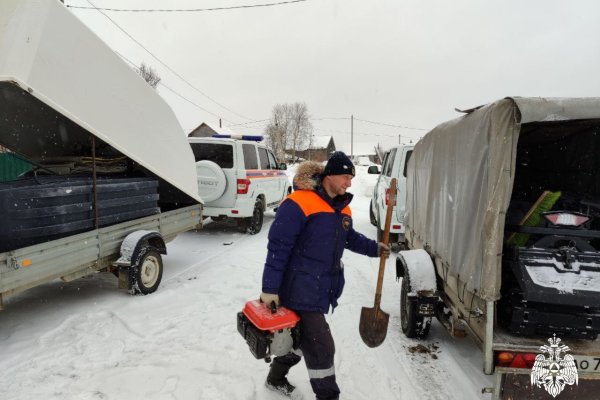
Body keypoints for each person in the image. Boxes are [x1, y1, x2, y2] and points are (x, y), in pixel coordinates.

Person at [260, 151, 390, 400]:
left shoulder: (342, 208)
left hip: (320, 288)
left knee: (297, 340)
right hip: (297, 288)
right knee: (321, 346)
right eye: (345, 177)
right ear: (329, 175)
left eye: (351, 178)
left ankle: (275, 378)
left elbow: (349, 237)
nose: (349, 183)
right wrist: (270, 288)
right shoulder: (299, 202)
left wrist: (375, 249)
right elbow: (278, 247)